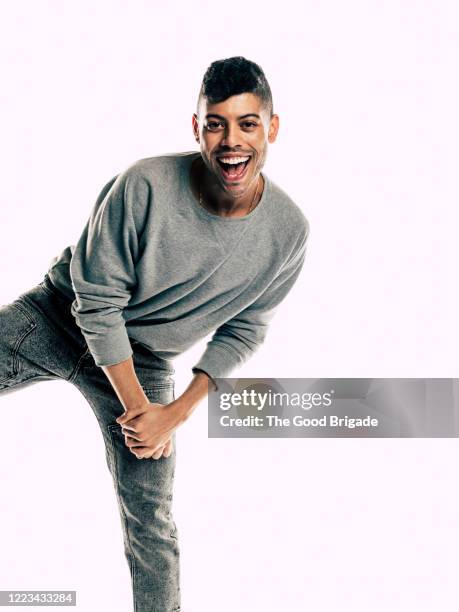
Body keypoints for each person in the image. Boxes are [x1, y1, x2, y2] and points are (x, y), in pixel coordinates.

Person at [0, 56, 309, 612]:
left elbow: (244, 329)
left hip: (144, 361)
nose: (231, 141)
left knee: (154, 528)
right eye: (216, 123)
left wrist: (176, 412)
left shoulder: (288, 231)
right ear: (197, 128)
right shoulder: (144, 182)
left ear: (273, 127)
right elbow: (97, 302)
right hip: (55, 318)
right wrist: (143, 411)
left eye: (247, 123)